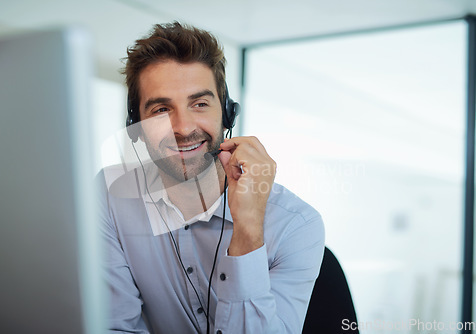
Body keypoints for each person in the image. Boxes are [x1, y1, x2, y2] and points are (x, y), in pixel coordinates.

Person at [98, 21, 325, 334]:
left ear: (227, 112)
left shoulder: (295, 225)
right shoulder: (111, 196)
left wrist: (247, 231)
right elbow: (114, 327)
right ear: (135, 125)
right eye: (161, 109)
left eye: (200, 103)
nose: (182, 127)